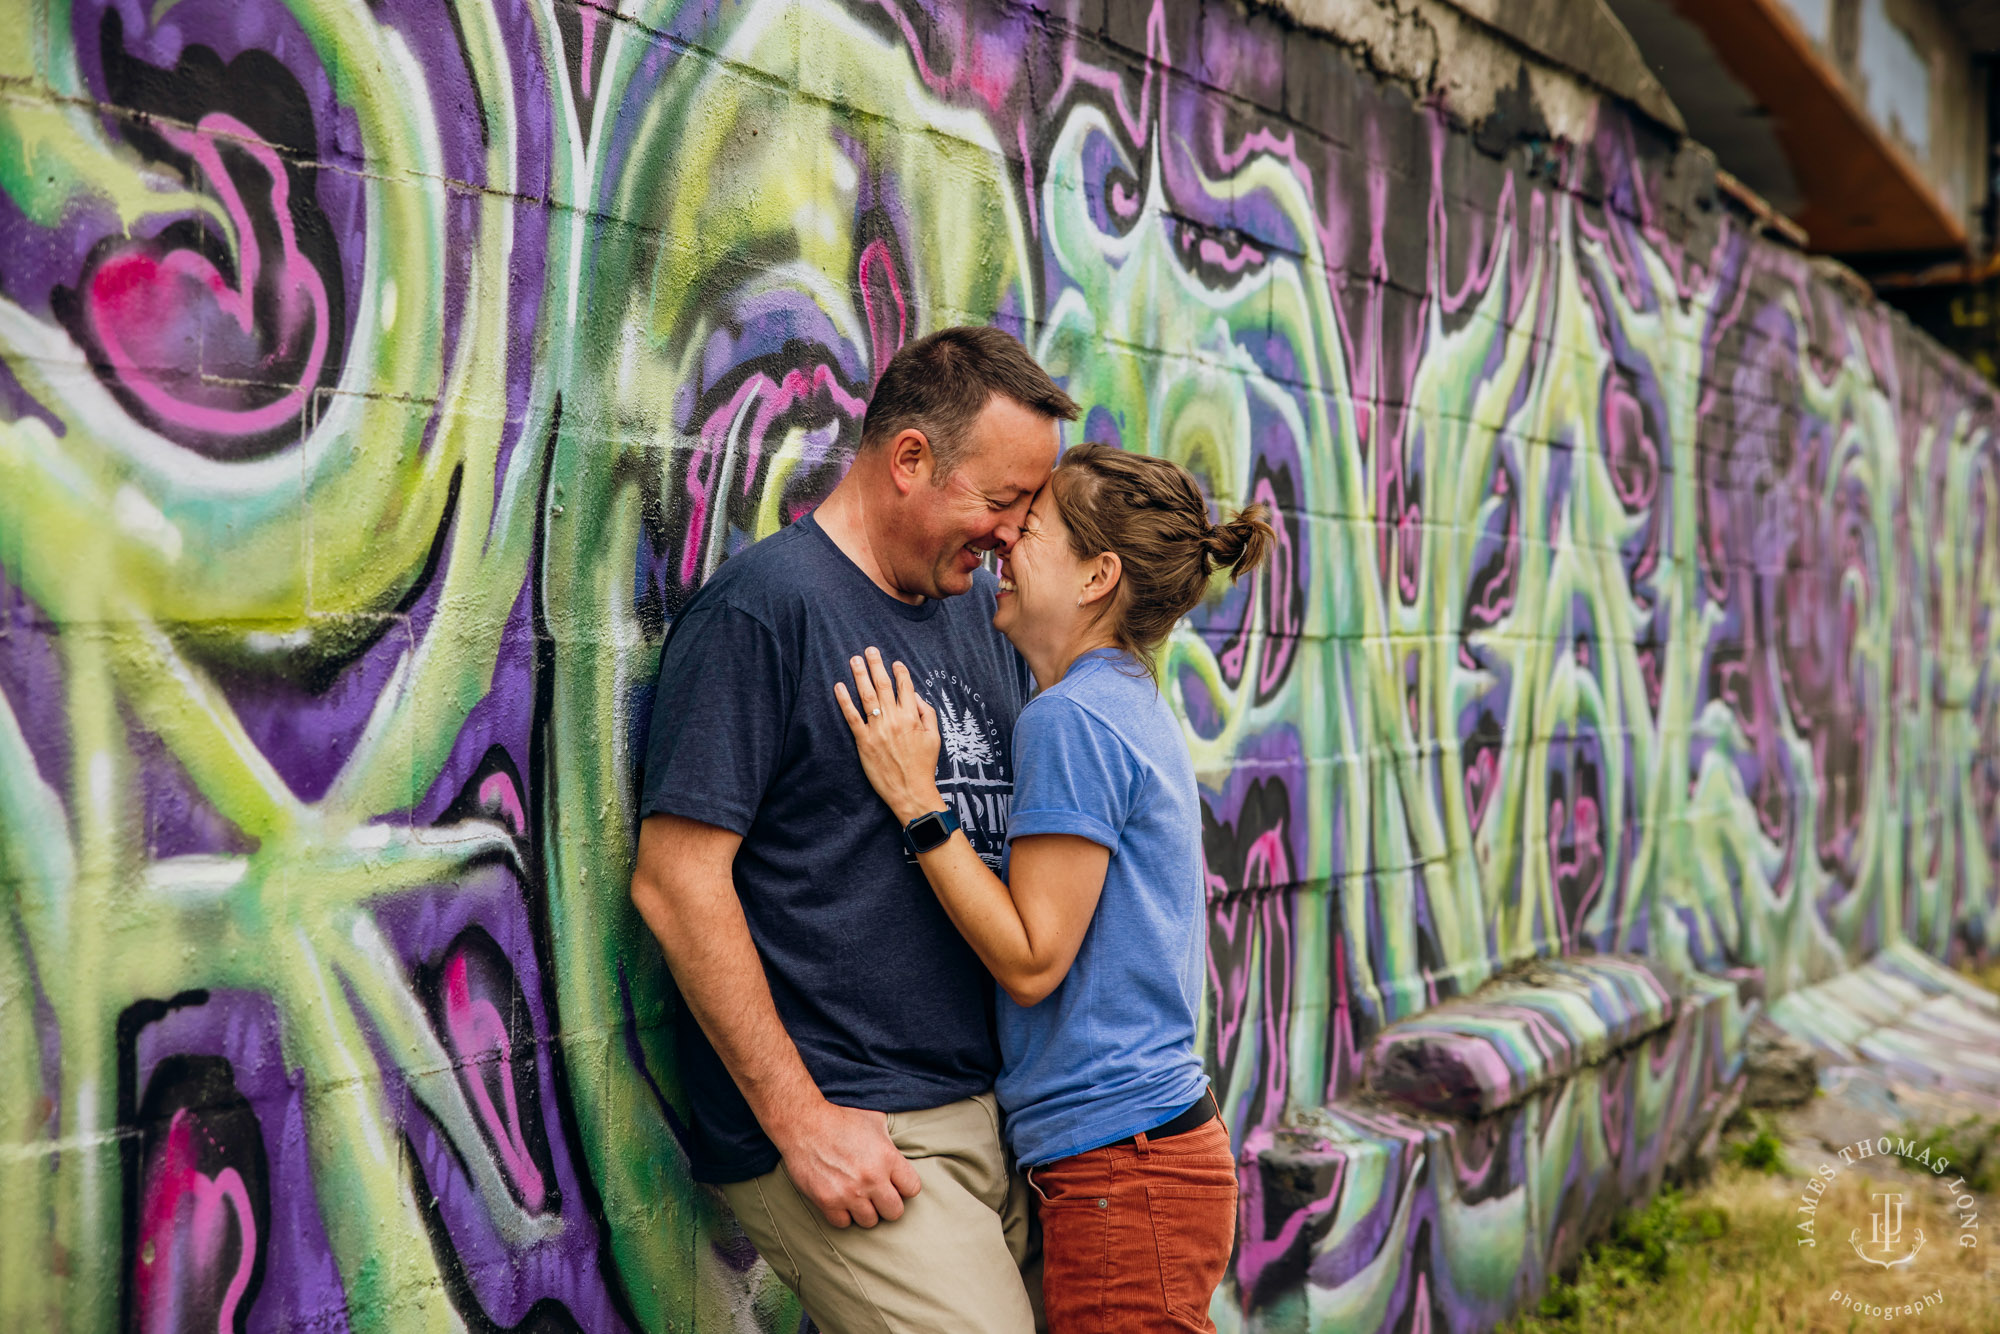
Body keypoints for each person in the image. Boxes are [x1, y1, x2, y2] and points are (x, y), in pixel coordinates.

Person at [628, 326, 1078, 1334]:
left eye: (1026, 509)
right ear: (909, 459)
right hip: (861, 1127)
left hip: (996, 1116)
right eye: (999, 501)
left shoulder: (973, 612)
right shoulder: (765, 611)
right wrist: (801, 1120)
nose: (1010, 534)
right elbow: (674, 880)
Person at [836, 442, 1273, 1334]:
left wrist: (919, 803)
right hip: (1136, 1158)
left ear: (1096, 576)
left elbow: (1034, 961)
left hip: (1126, 1166)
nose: (1003, 545)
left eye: (1029, 530)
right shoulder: (1120, 702)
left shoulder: (1071, 719)